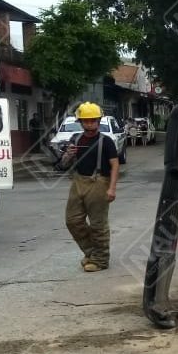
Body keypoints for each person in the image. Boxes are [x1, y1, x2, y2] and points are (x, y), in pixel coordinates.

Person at [58, 102, 120, 272]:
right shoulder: (75, 139)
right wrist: (68, 155)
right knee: (72, 220)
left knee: (98, 224)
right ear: (81, 122)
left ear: (98, 121)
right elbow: (64, 164)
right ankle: (92, 252)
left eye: (93, 120)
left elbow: (115, 165)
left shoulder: (106, 141)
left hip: (99, 182)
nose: (90, 124)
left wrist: (112, 188)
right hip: (78, 181)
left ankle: (101, 260)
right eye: (86, 121)